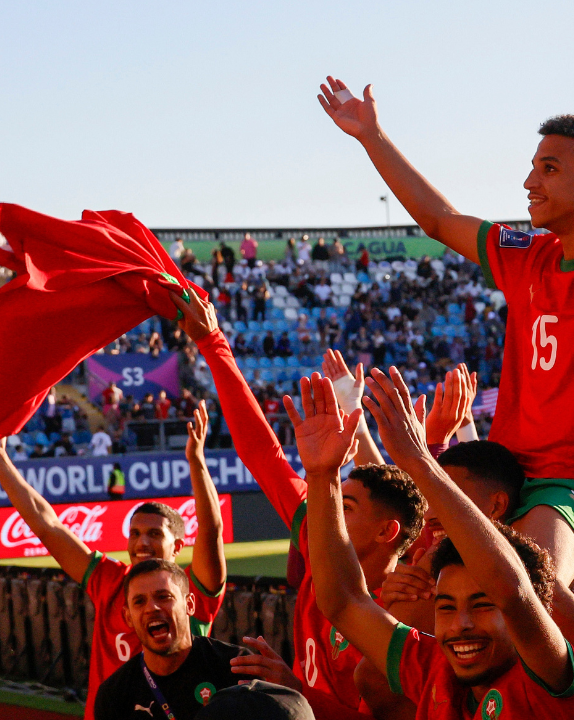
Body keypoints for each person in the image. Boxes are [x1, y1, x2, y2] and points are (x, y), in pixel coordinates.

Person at [318, 0, 574, 602]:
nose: (529, 182)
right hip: (498, 474)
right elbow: (437, 218)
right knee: (413, 602)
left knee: (522, 592)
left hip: (573, 487)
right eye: (533, 167)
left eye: (548, 168)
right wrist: (372, 137)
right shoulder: (526, 254)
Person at [290, 367, 574, 718]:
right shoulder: (434, 667)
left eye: (482, 605)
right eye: (445, 607)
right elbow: (345, 602)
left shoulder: (550, 680)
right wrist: (322, 475)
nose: (460, 625)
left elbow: (512, 591)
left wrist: (420, 460)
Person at [171, 290, 407, 720]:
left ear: (386, 532)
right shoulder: (318, 534)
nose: (330, 509)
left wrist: (296, 692)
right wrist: (213, 343)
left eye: (347, 506)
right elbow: (262, 454)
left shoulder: (407, 610)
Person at [0, 398, 227, 720]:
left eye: (154, 534)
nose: (142, 542)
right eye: (134, 533)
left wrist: (196, 461)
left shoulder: (193, 590)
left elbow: (211, 530)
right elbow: (47, 524)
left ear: (177, 545)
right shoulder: (109, 579)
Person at [376, 436, 574, 720]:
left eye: (449, 497)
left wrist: (534, 588)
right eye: (430, 499)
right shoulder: (438, 576)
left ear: (497, 506)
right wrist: (396, 602)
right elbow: (385, 670)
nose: (430, 516)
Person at [93, 561, 245, 720]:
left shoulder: (236, 667)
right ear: (128, 617)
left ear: (189, 604)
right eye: (139, 601)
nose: (151, 608)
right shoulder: (114, 695)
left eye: (163, 597)